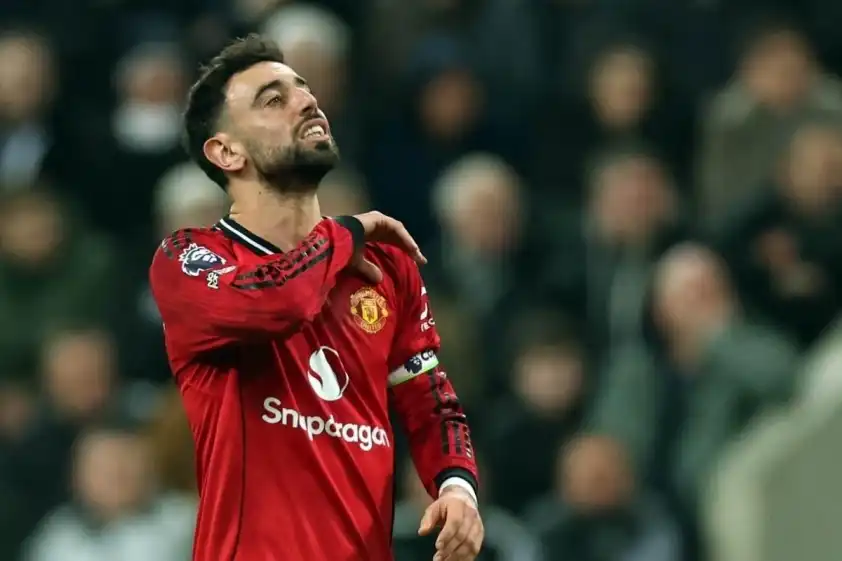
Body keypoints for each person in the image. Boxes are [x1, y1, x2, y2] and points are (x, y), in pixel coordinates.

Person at [148, 34, 483, 561]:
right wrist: (343, 233)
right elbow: (273, 304)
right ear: (226, 151)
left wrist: (457, 487)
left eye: (304, 89)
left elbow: (432, 400)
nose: (306, 101)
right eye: (273, 100)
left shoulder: (386, 267)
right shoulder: (190, 258)